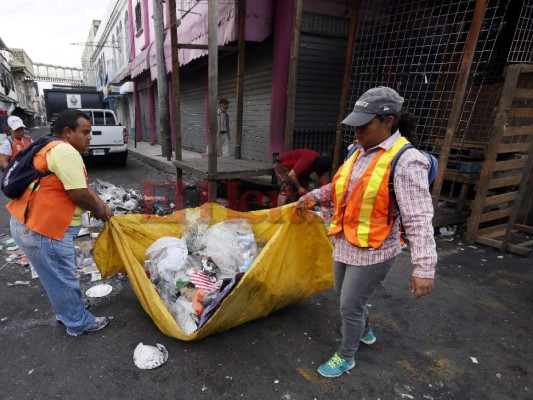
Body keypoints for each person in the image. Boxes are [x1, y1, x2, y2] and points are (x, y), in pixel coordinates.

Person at [296, 86, 437, 378]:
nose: (357, 130)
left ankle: (346, 356)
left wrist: (424, 268)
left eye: (364, 124)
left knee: (348, 305)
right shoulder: (356, 151)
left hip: (376, 250)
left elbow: (419, 218)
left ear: (388, 121)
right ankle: (364, 329)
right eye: (355, 123)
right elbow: (341, 189)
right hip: (346, 242)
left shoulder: (408, 161)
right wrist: (314, 196)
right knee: (345, 296)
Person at [7, 109, 114, 337]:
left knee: (53, 277)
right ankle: (78, 323)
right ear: (68, 132)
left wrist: (101, 203)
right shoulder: (65, 152)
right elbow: (79, 194)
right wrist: (99, 210)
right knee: (63, 278)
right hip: (43, 229)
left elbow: (82, 187)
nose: (89, 137)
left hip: (27, 225)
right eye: (85, 132)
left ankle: (66, 312)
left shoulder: (52, 147)